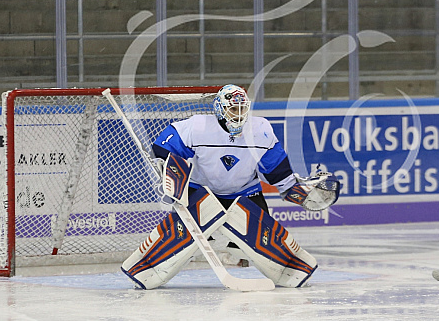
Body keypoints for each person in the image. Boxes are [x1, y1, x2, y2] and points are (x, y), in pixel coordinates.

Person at [121, 84, 340, 290]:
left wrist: (298, 191)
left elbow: (277, 172)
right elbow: (163, 146)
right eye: (233, 108)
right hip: (201, 193)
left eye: (242, 108)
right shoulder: (198, 127)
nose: (239, 114)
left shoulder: (260, 130)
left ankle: (263, 259)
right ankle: (147, 266)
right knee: (183, 241)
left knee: (264, 240)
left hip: (246, 193)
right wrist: (170, 170)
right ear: (220, 109)